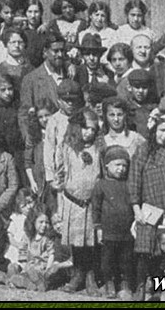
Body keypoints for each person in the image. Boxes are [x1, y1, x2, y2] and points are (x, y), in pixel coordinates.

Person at [129, 111, 165, 301]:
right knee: (146, 251)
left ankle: (163, 288)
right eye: (162, 130)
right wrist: (136, 209)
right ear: (154, 130)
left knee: (164, 251)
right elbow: (135, 179)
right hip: (149, 209)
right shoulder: (144, 150)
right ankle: (141, 287)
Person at [57, 109, 104, 296]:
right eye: (85, 128)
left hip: (92, 204)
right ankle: (77, 275)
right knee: (77, 242)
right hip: (73, 202)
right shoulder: (68, 147)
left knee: (91, 242)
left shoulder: (99, 148)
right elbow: (60, 172)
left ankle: (91, 277)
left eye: (93, 129)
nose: (88, 133)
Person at [91, 146, 134, 301]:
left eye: (124, 166)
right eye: (117, 165)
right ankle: (109, 283)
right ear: (107, 165)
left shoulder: (129, 184)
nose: (121, 169)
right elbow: (95, 208)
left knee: (126, 259)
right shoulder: (101, 185)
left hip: (126, 232)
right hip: (108, 231)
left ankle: (125, 284)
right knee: (107, 260)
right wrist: (98, 228)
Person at [8, 203, 70, 292]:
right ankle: (29, 283)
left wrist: (48, 269)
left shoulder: (48, 238)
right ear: (33, 222)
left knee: (46, 276)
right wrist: (24, 267)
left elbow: (51, 255)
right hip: (30, 267)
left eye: (47, 222)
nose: (44, 225)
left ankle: (39, 283)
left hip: (43, 268)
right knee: (20, 272)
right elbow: (23, 253)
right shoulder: (28, 237)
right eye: (41, 222)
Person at [5, 189, 35, 272]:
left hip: (30, 246)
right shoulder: (16, 217)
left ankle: (25, 273)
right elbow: (9, 235)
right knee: (15, 261)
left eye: (30, 203)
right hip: (17, 246)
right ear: (18, 206)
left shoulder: (35, 216)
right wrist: (17, 244)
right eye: (24, 206)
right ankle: (15, 271)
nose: (28, 207)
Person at [124, 69, 156, 139]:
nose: (141, 91)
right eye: (137, 87)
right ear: (129, 87)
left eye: (144, 87)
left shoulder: (154, 109)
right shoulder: (125, 109)